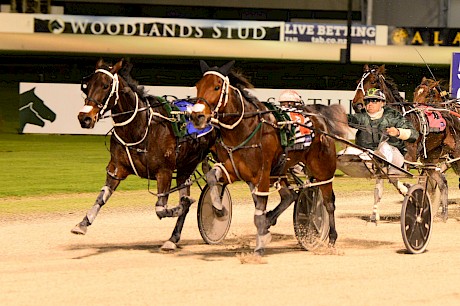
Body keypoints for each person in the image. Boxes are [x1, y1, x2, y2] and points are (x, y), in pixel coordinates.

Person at [342, 88, 419, 222]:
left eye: (374, 101)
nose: (370, 104)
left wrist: (398, 132)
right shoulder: (362, 117)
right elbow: (346, 118)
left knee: (383, 148)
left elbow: (414, 134)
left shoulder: (394, 116)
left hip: (394, 157)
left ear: (382, 103)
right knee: (347, 151)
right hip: (369, 156)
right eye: (367, 101)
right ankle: (396, 183)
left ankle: (380, 165)